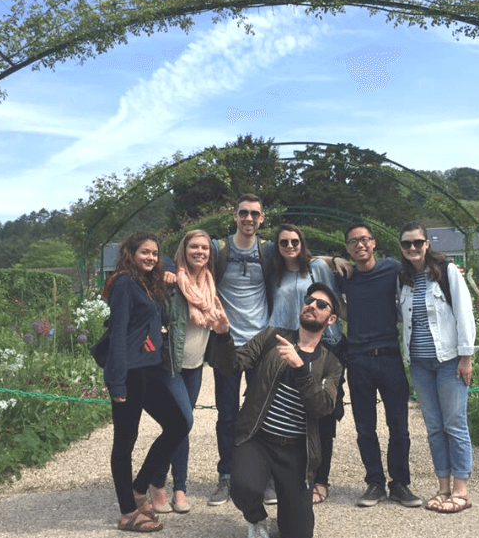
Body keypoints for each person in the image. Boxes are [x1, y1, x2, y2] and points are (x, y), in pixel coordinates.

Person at [209, 282, 343, 538]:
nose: (311, 305)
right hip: (258, 438)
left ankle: (290, 507)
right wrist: (223, 336)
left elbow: (323, 407)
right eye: (308, 299)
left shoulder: (331, 363)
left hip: (296, 451)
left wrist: (300, 367)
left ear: (331, 319)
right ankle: (257, 519)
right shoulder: (272, 336)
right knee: (244, 487)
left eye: (321, 304)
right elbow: (231, 366)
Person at [102, 231, 190, 533]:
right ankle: (127, 512)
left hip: (148, 370)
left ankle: (140, 487)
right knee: (125, 441)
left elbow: (168, 262)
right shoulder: (125, 284)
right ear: (130, 253)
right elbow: (117, 334)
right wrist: (116, 382)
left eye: (155, 253)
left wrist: (164, 267)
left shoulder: (146, 283)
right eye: (145, 253)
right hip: (128, 372)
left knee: (179, 424)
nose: (151, 258)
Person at [333, 223, 422, 508]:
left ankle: (400, 484)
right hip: (357, 358)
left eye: (365, 240)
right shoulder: (344, 275)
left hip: (389, 355)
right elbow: (311, 261)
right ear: (347, 248)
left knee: (399, 426)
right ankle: (374, 483)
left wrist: (449, 271)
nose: (360, 245)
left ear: (374, 243)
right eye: (353, 242)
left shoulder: (392, 268)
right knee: (365, 427)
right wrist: (333, 259)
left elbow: (421, 267)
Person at [398, 221, 478, 513]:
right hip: (420, 362)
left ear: (427, 244)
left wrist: (466, 356)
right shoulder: (403, 279)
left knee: (454, 423)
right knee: (433, 427)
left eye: (417, 243)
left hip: (448, 360)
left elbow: (464, 313)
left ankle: (461, 489)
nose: (412, 248)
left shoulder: (447, 273)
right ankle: (442, 486)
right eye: (406, 244)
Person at [147, 230, 229, 514]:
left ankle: (179, 488)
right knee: (183, 422)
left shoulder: (209, 283)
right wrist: (168, 271)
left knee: (181, 426)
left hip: (195, 367)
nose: (200, 252)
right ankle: (157, 482)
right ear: (184, 249)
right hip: (171, 366)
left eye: (205, 247)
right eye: (194, 246)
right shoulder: (171, 281)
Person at [268, 223, 346, 505]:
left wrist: (333, 258)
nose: (290, 247)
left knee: (324, 413)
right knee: (285, 410)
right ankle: (283, 474)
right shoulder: (273, 271)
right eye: (284, 242)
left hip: (325, 345)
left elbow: (332, 296)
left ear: (303, 243)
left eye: (295, 242)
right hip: (288, 342)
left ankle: (320, 479)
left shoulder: (317, 268)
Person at [207, 193, 276, 506]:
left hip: (260, 343)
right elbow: (185, 255)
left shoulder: (270, 250)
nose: (249, 219)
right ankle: (227, 475)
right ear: (235, 217)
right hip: (228, 343)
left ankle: (266, 476)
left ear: (262, 219)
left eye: (255, 214)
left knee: (265, 412)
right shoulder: (218, 249)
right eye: (244, 213)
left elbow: (302, 256)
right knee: (226, 413)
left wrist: (334, 260)